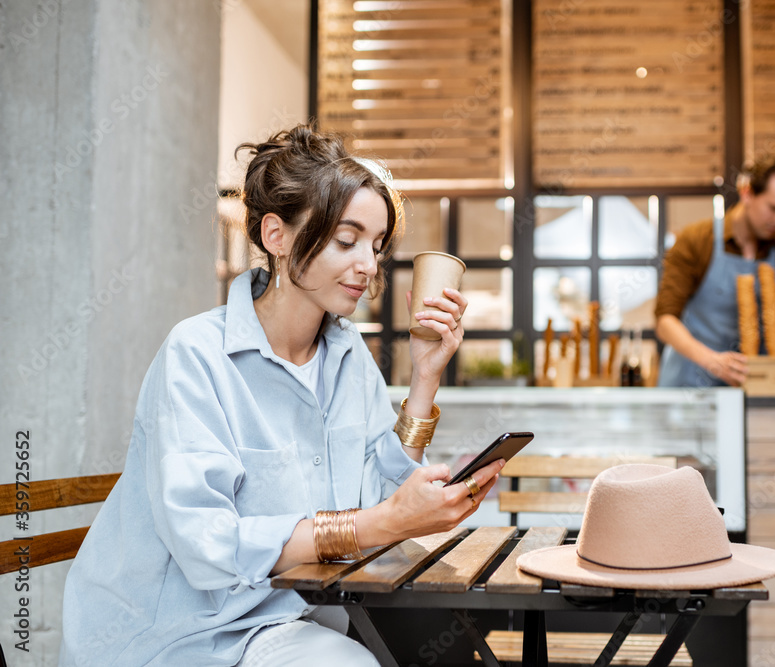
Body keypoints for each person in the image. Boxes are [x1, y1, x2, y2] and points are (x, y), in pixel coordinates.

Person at [59, 124, 503, 666]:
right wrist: (383, 522)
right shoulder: (197, 355)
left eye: (377, 245)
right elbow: (206, 545)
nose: (368, 264)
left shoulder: (345, 355)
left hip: (298, 612)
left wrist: (425, 376)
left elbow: (377, 498)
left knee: (451, 641)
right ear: (277, 236)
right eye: (346, 240)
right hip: (185, 634)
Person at [654, 154, 775, 387]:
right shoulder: (696, 241)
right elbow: (665, 321)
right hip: (691, 384)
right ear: (747, 193)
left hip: (757, 387)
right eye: (774, 208)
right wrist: (712, 361)